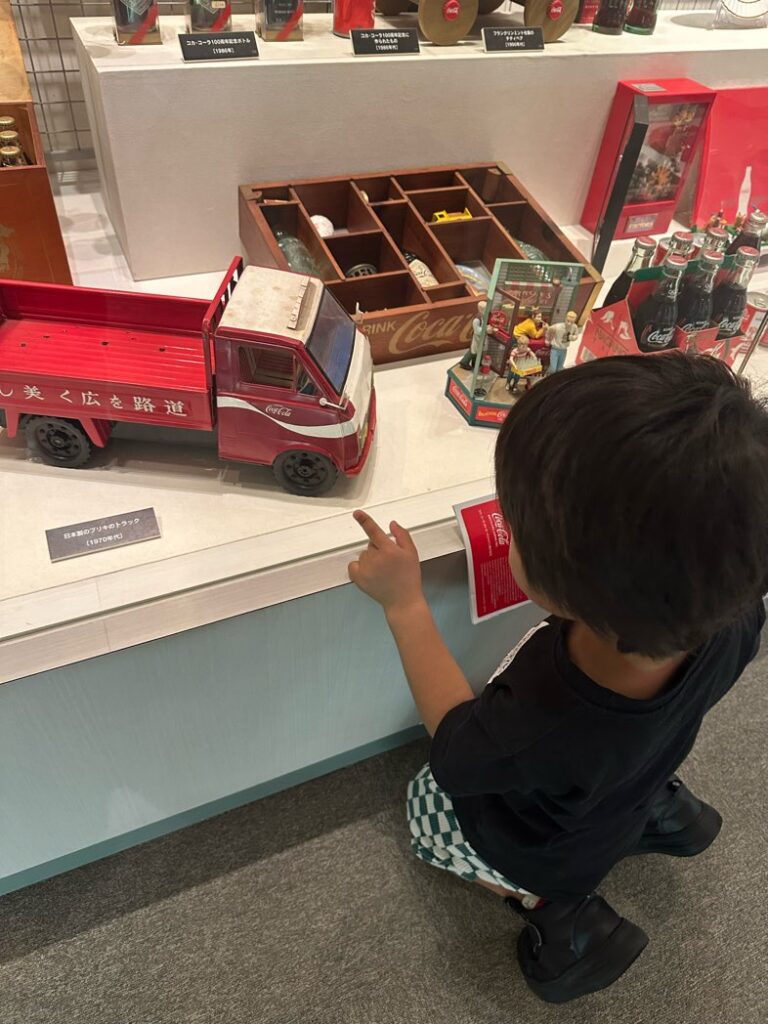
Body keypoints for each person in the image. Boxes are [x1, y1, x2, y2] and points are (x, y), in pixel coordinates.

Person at [347, 353, 768, 1004]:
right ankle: (662, 811)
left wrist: (405, 604)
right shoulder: (736, 618)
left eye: (515, 526)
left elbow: (456, 752)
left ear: (569, 585)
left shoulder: (541, 718)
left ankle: (556, 911)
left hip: (549, 848)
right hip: (628, 783)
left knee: (424, 812)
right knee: (623, 774)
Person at [460, 301, 488, 371]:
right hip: (476, 338)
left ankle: (475, 363)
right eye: (485, 309)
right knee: (473, 351)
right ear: (481, 309)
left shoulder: (483, 317)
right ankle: (464, 362)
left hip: (481, 338)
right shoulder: (477, 319)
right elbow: (477, 331)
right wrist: (486, 329)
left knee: (478, 351)